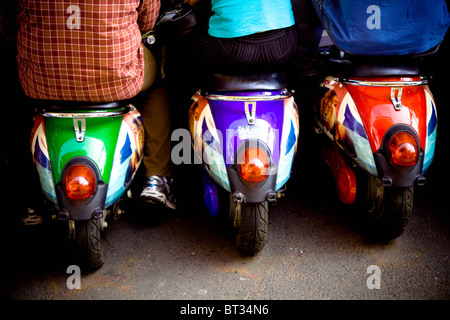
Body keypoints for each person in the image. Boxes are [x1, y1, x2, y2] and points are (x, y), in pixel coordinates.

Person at [16, 0, 177, 211]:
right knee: (156, 80)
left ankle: (27, 190)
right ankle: (157, 179)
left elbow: (13, 19)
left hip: (42, 82)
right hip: (117, 79)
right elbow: (148, 20)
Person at [182, 0, 298, 77]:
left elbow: (190, 2)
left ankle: (190, 106)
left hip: (233, 50)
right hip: (283, 45)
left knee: (187, 43)